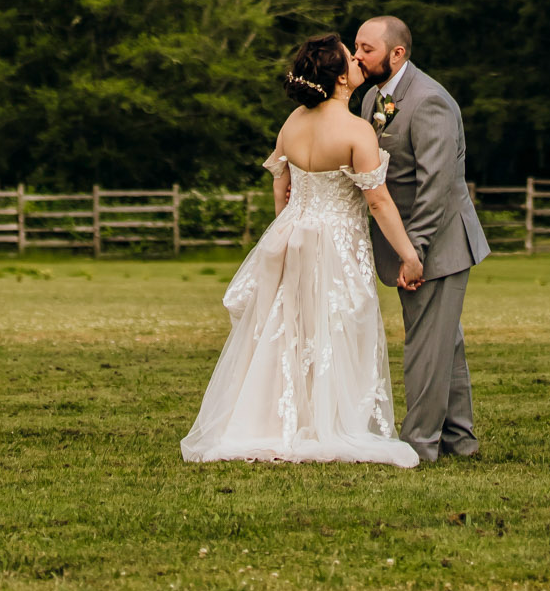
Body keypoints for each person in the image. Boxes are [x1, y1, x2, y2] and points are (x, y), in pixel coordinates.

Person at [181, 32, 422, 466]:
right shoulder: (356, 131)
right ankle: (328, 422)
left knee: (288, 330)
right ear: (342, 80)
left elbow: (281, 184)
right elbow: (378, 200)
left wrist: (286, 226)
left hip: (291, 235)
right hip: (336, 243)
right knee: (337, 326)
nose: (358, 63)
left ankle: (279, 421)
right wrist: (408, 254)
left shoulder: (292, 122)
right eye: (352, 58)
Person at [353, 15, 489, 464]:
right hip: (407, 243)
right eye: (357, 46)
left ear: (398, 54)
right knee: (442, 342)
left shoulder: (430, 101)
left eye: (366, 49)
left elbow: (438, 185)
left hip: (438, 244)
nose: (357, 56)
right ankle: (460, 441)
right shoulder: (371, 97)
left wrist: (416, 252)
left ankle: (419, 445)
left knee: (426, 347)